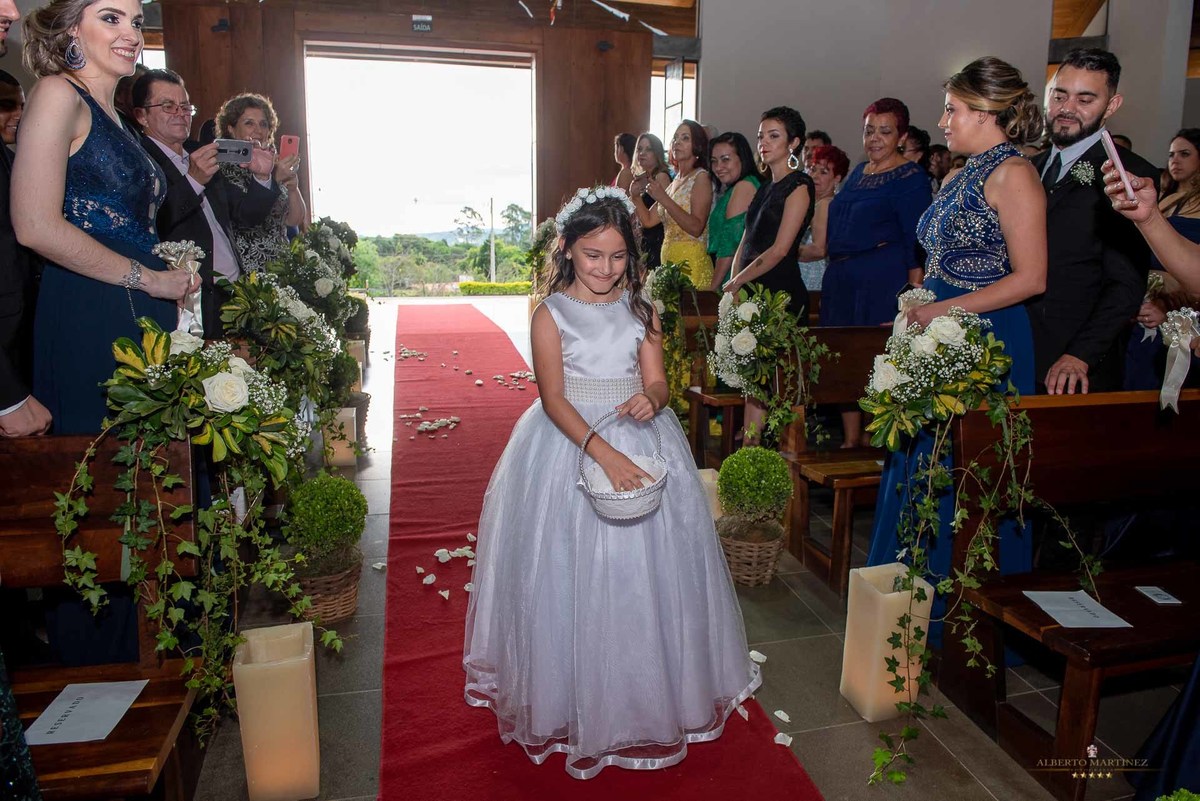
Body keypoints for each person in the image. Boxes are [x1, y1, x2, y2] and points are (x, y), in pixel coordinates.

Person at [463, 188, 759, 779]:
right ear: (568, 249)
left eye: (619, 257)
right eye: (593, 255)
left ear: (632, 256)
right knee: (567, 571)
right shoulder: (549, 314)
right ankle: (569, 688)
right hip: (568, 441)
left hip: (636, 432)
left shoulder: (641, 309)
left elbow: (659, 384)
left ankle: (647, 685)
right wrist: (601, 453)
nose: (606, 269)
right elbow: (552, 399)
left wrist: (651, 401)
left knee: (644, 573)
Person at [867, 56, 1048, 641]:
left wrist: (937, 310)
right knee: (922, 466)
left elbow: (1032, 277)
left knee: (967, 474)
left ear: (986, 111)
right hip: (939, 328)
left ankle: (962, 619)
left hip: (987, 337)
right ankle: (910, 607)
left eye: (953, 109)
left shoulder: (1014, 174)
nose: (943, 120)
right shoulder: (961, 174)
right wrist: (920, 303)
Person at [13, 0, 195, 435]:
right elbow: (34, 226)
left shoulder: (118, 118)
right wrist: (149, 279)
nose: (131, 33)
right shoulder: (58, 93)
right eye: (110, 18)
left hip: (136, 304)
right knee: (109, 460)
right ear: (72, 29)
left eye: (135, 21)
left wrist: (171, 272)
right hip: (90, 306)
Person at [1027, 48, 1157, 395]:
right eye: (1059, 95)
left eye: (1085, 99)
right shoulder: (1028, 168)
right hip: (1014, 349)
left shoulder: (1130, 176)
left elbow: (1126, 283)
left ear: (1111, 106)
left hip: (1072, 366)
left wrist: (1080, 354)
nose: (1067, 108)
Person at [820, 97, 931, 448]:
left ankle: (875, 441)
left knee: (874, 360)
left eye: (885, 131)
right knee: (842, 360)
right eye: (869, 131)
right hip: (841, 279)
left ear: (901, 136)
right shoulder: (857, 173)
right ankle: (850, 441)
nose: (875, 139)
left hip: (881, 279)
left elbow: (916, 239)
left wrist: (914, 294)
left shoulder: (910, 176)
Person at [134, 69, 277, 338]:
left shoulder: (198, 153)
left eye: (185, 106)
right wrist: (193, 181)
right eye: (168, 106)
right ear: (142, 115)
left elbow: (246, 217)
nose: (180, 113)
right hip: (193, 298)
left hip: (233, 291)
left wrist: (261, 177)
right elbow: (152, 223)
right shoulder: (141, 162)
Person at [724, 106, 815, 442]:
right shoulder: (763, 188)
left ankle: (786, 456)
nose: (763, 142)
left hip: (780, 293)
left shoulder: (799, 186)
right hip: (751, 290)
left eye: (773, 136)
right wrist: (733, 283)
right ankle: (749, 452)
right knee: (753, 381)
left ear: (794, 143)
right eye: (761, 135)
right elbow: (746, 240)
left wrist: (740, 279)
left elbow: (779, 249)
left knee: (782, 383)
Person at [1122, 129, 1200, 389]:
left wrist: (1169, 306)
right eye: (1171, 155)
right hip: (1148, 304)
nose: (1175, 160)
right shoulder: (1164, 198)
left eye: (1185, 154)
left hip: (1181, 312)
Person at [0, 68, 47, 438]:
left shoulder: (13, 160)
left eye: (21, 105)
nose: (18, 114)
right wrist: (8, 397)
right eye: (5, 105)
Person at [214, 92, 305, 272]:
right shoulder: (222, 168)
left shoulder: (276, 163)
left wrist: (293, 189)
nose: (258, 130)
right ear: (231, 128)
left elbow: (294, 219)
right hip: (248, 267)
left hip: (281, 263)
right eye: (249, 123)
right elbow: (244, 219)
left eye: (263, 124)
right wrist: (274, 179)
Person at [632, 120, 714, 289]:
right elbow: (648, 220)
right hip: (669, 260)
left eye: (685, 138)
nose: (677, 142)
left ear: (697, 145)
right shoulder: (675, 181)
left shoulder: (701, 177)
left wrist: (664, 199)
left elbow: (696, 227)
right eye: (675, 138)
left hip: (691, 262)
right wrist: (635, 197)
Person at [706, 131, 760, 290]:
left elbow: (730, 245)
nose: (718, 167)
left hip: (734, 277)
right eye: (714, 161)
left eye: (725, 160)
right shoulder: (740, 186)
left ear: (742, 158)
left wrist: (712, 289)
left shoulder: (743, 187)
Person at [798, 144, 850, 292]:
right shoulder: (826, 203)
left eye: (824, 172)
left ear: (837, 178)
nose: (815, 176)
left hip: (813, 279)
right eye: (813, 169)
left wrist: (786, 250)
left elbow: (819, 250)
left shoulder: (825, 204)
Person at [630, 132, 669, 270]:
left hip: (656, 242)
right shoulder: (643, 179)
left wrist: (635, 198)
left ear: (657, 153)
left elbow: (656, 217)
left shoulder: (662, 177)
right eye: (639, 149)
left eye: (648, 149)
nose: (642, 153)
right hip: (644, 242)